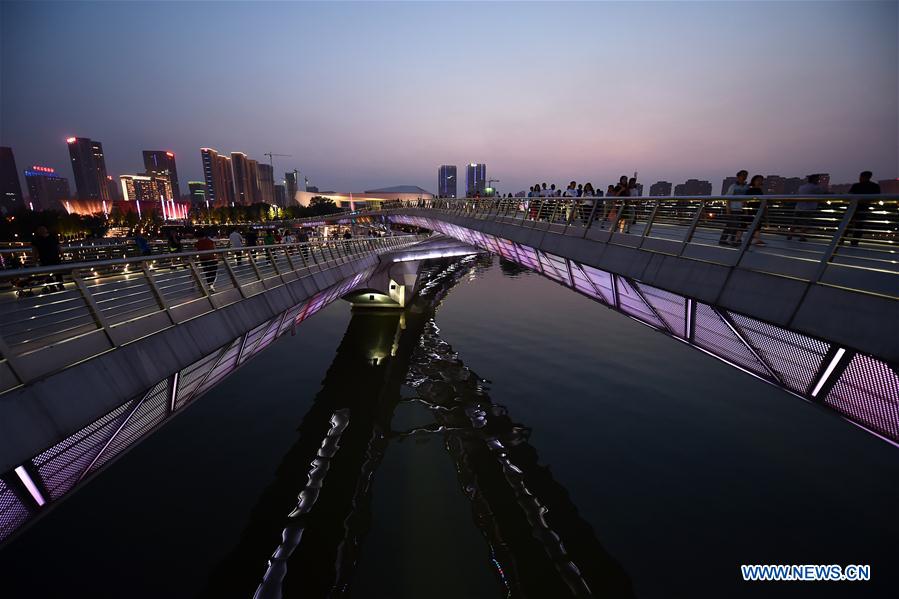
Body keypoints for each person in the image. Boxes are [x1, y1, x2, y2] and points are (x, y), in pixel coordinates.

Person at [847, 171, 882, 246]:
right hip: (864, 207)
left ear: (864, 177)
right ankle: (854, 242)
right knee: (859, 225)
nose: (859, 178)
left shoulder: (856, 186)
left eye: (861, 177)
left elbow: (849, 195)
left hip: (853, 206)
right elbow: (877, 197)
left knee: (847, 223)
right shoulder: (875, 186)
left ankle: (841, 240)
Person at [789, 174, 827, 241]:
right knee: (805, 222)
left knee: (795, 222)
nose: (819, 181)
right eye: (818, 179)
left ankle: (790, 235)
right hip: (808, 208)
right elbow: (823, 194)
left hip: (798, 207)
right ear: (814, 180)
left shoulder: (802, 187)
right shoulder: (816, 188)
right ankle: (802, 237)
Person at [719, 170, 750, 246]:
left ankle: (724, 240)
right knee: (733, 225)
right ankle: (731, 240)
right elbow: (728, 198)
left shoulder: (746, 187)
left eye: (745, 175)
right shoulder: (733, 186)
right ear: (738, 176)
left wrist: (746, 210)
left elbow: (745, 199)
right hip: (733, 209)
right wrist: (728, 209)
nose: (744, 177)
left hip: (741, 209)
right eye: (742, 175)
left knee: (732, 225)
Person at [31, 225, 64, 292]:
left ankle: (59, 285)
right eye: (40, 229)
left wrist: (62, 255)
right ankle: (53, 287)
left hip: (54, 258)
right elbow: (34, 251)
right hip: (45, 259)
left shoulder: (52, 237)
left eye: (43, 229)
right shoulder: (36, 239)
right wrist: (35, 260)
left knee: (58, 273)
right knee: (48, 274)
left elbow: (58, 247)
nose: (42, 231)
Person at [744, 175, 766, 246]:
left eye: (761, 180)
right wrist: (746, 210)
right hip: (752, 209)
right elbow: (745, 201)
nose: (760, 182)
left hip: (759, 209)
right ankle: (752, 239)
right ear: (753, 181)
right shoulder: (750, 190)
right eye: (758, 180)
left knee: (758, 224)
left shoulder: (760, 190)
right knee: (754, 224)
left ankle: (757, 239)